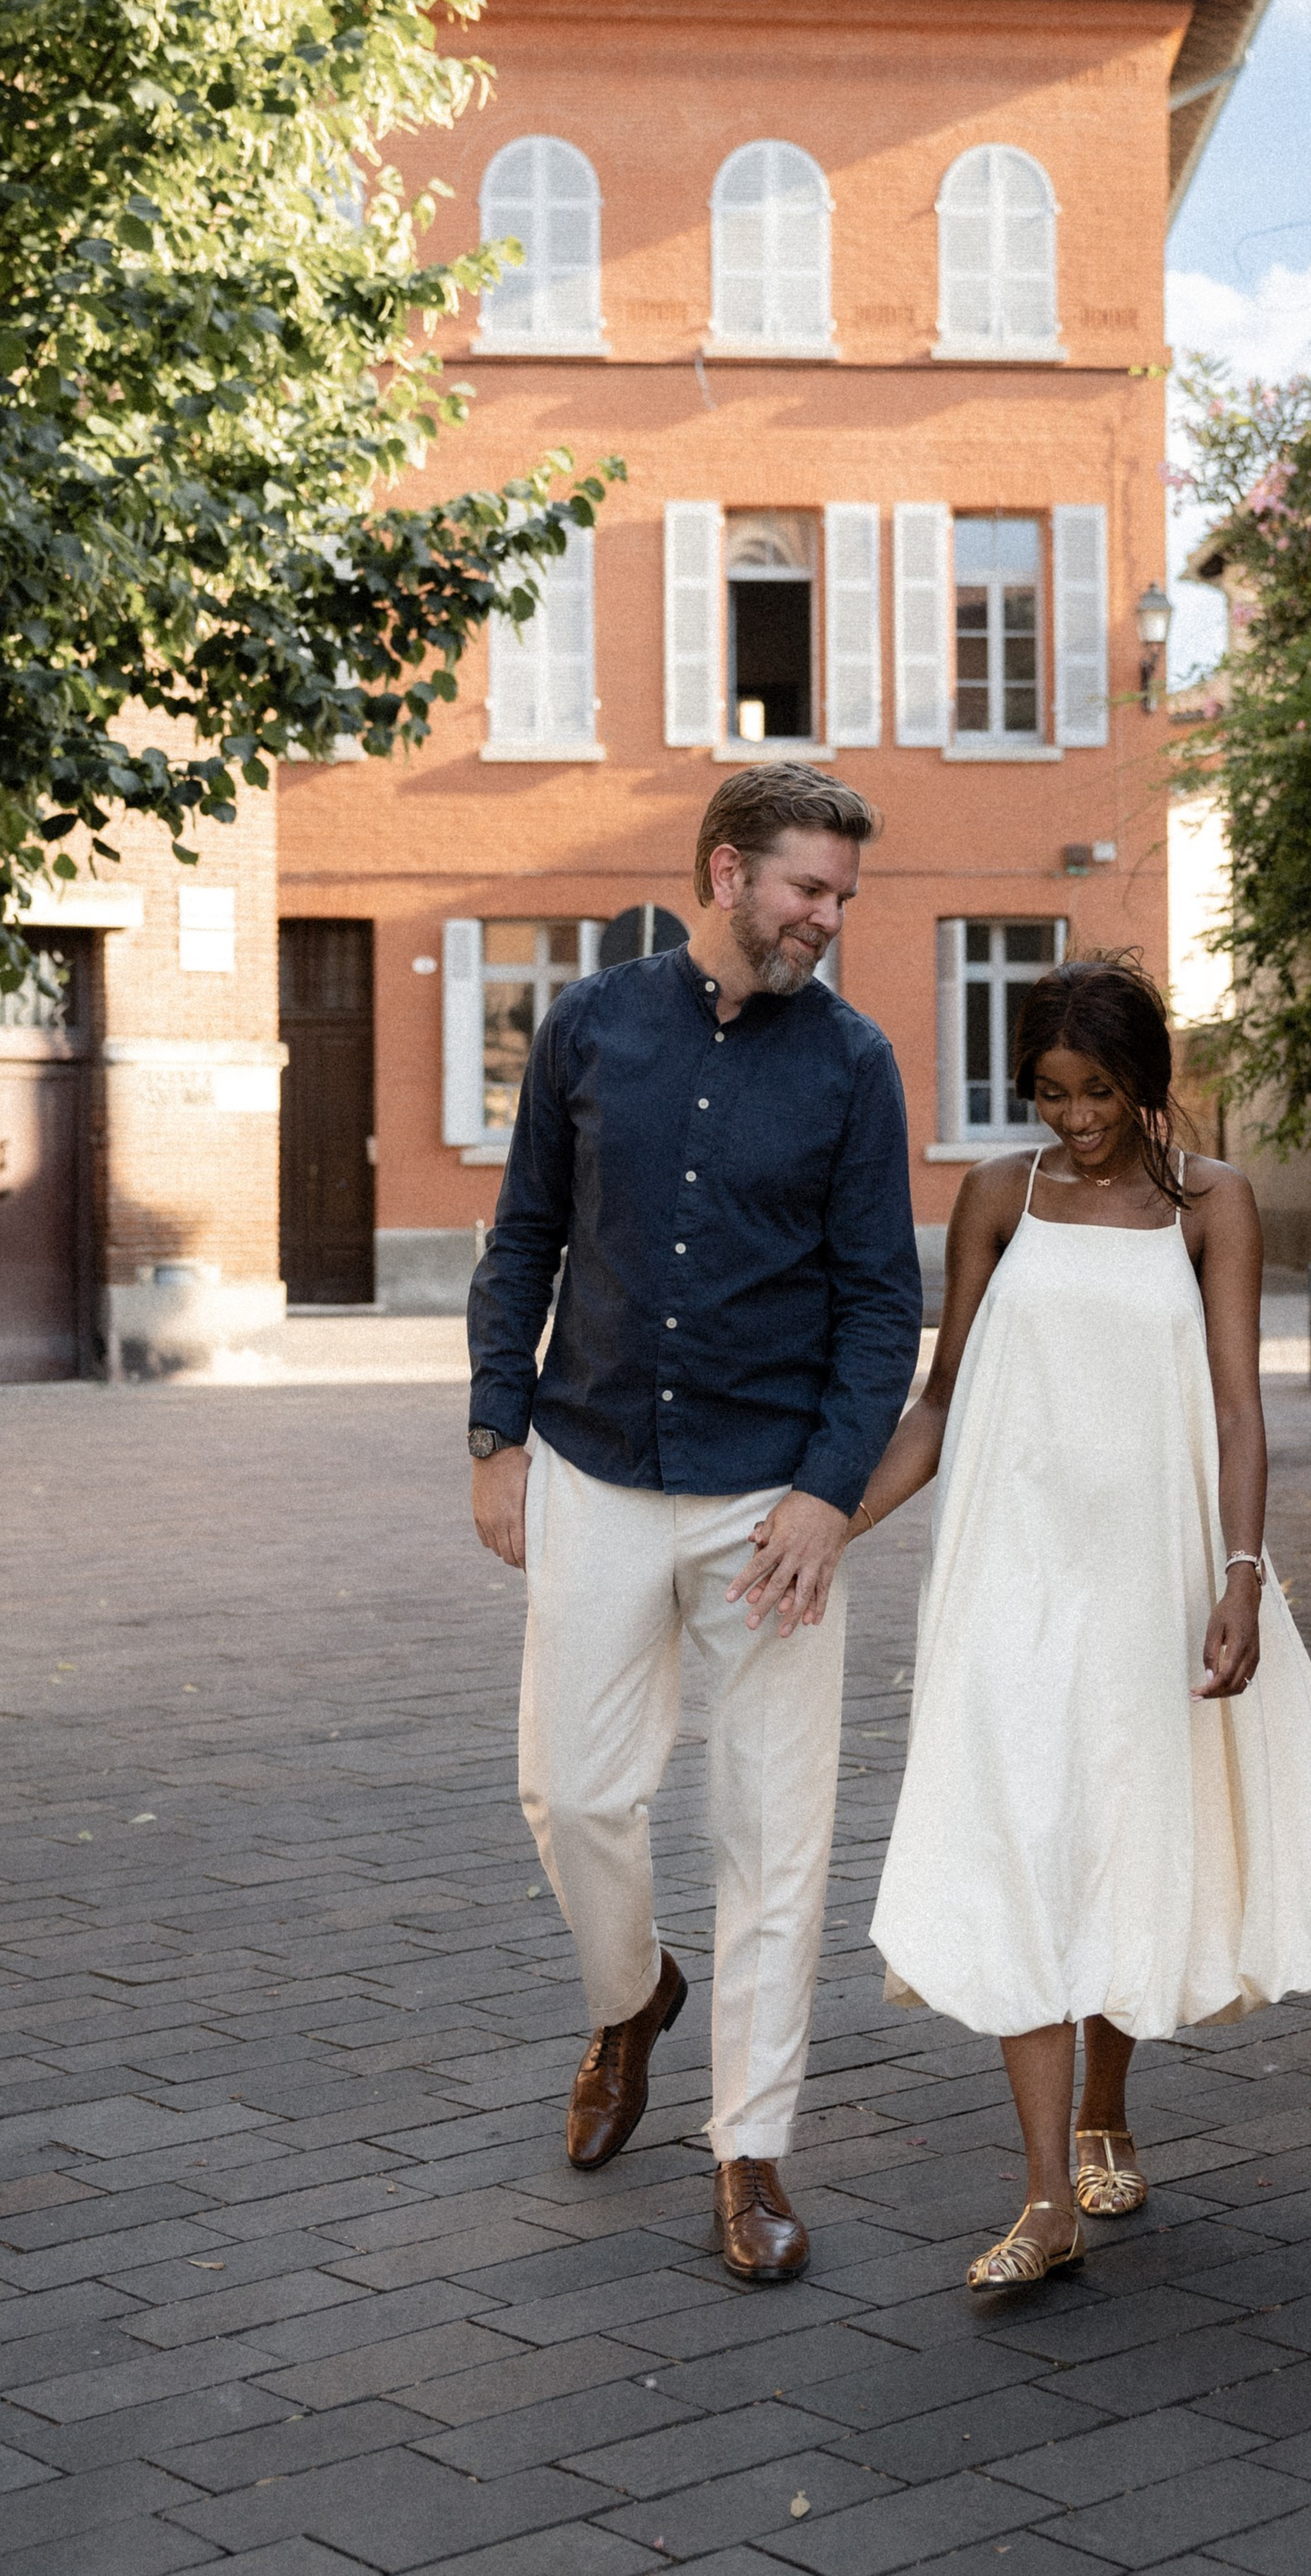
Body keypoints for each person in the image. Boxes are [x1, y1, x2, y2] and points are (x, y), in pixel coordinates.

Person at [859, 955, 1311, 2290]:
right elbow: (939, 1405)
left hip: (1148, 1572)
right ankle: (1047, 2201)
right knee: (1023, 1837)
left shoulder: (1212, 1205)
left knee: (1115, 1830)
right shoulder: (997, 1195)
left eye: (1100, 1091)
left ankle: (1107, 2105)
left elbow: (1233, 1411)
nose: (1076, 1117)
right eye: (1050, 1091)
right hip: (1007, 1573)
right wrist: (827, 1523)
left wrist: (1243, 1573)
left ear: (1148, 1085)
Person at [466, 765, 923, 2286]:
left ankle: (750, 2153)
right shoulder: (592, 1026)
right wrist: (493, 1430)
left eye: (843, 896)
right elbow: (524, 1231)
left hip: (770, 1507)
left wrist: (827, 1498)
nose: (827, 918)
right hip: (592, 1465)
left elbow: (880, 1309)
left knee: (774, 1839)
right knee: (573, 1798)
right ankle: (631, 1997)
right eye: (808, 888)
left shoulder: (855, 1067)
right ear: (726, 870)